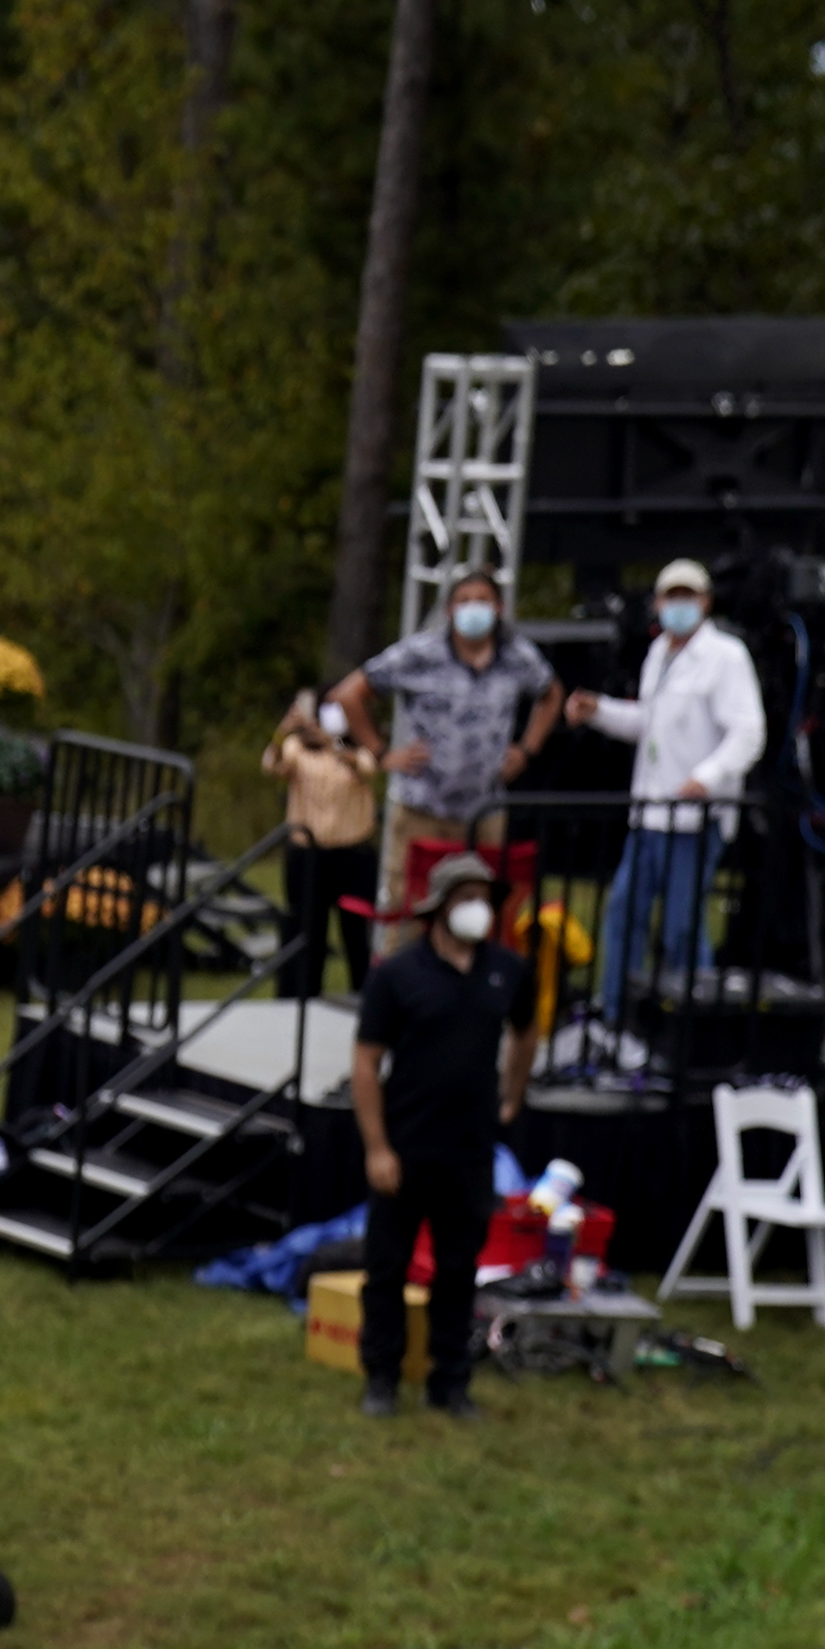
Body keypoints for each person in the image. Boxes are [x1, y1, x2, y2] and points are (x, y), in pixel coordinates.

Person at [346, 849, 532, 1422]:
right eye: (467, 899)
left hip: (471, 1151)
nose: (478, 910)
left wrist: (512, 1095)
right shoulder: (399, 975)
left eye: (485, 899)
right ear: (440, 909)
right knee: (388, 1266)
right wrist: (377, 1147)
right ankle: (381, 1375)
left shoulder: (507, 970)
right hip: (406, 1145)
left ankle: (449, 1381)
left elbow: (527, 1031)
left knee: (458, 1269)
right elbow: (365, 1062)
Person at [572, 559, 765, 1029]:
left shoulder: (726, 655)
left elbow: (748, 731)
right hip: (651, 814)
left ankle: (690, 1026)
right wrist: (599, 711)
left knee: (683, 926)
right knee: (624, 913)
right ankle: (617, 1016)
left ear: (706, 602)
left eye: (689, 596)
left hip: (694, 820)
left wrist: (709, 776)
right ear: (658, 603)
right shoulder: (659, 651)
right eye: (671, 596)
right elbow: (649, 723)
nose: (679, 605)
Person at [327, 570, 554, 941]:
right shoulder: (420, 654)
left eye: (482, 600)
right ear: (449, 610)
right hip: (423, 808)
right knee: (414, 913)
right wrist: (383, 753)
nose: (473, 609)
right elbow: (349, 693)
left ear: (499, 607)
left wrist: (527, 749)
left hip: (484, 810)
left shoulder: (517, 657)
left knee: (483, 914)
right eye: (464, 601)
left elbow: (550, 693)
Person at [263, 686, 385, 1004]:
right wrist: (283, 732)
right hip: (308, 854)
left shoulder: (355, 751)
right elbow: (271, 766)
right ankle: (297, 1000)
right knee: (305, 934)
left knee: (358, 935)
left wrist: (331, 743)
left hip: (353, 853)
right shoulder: (296, 749)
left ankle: (367, 997)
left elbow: (367, 768)